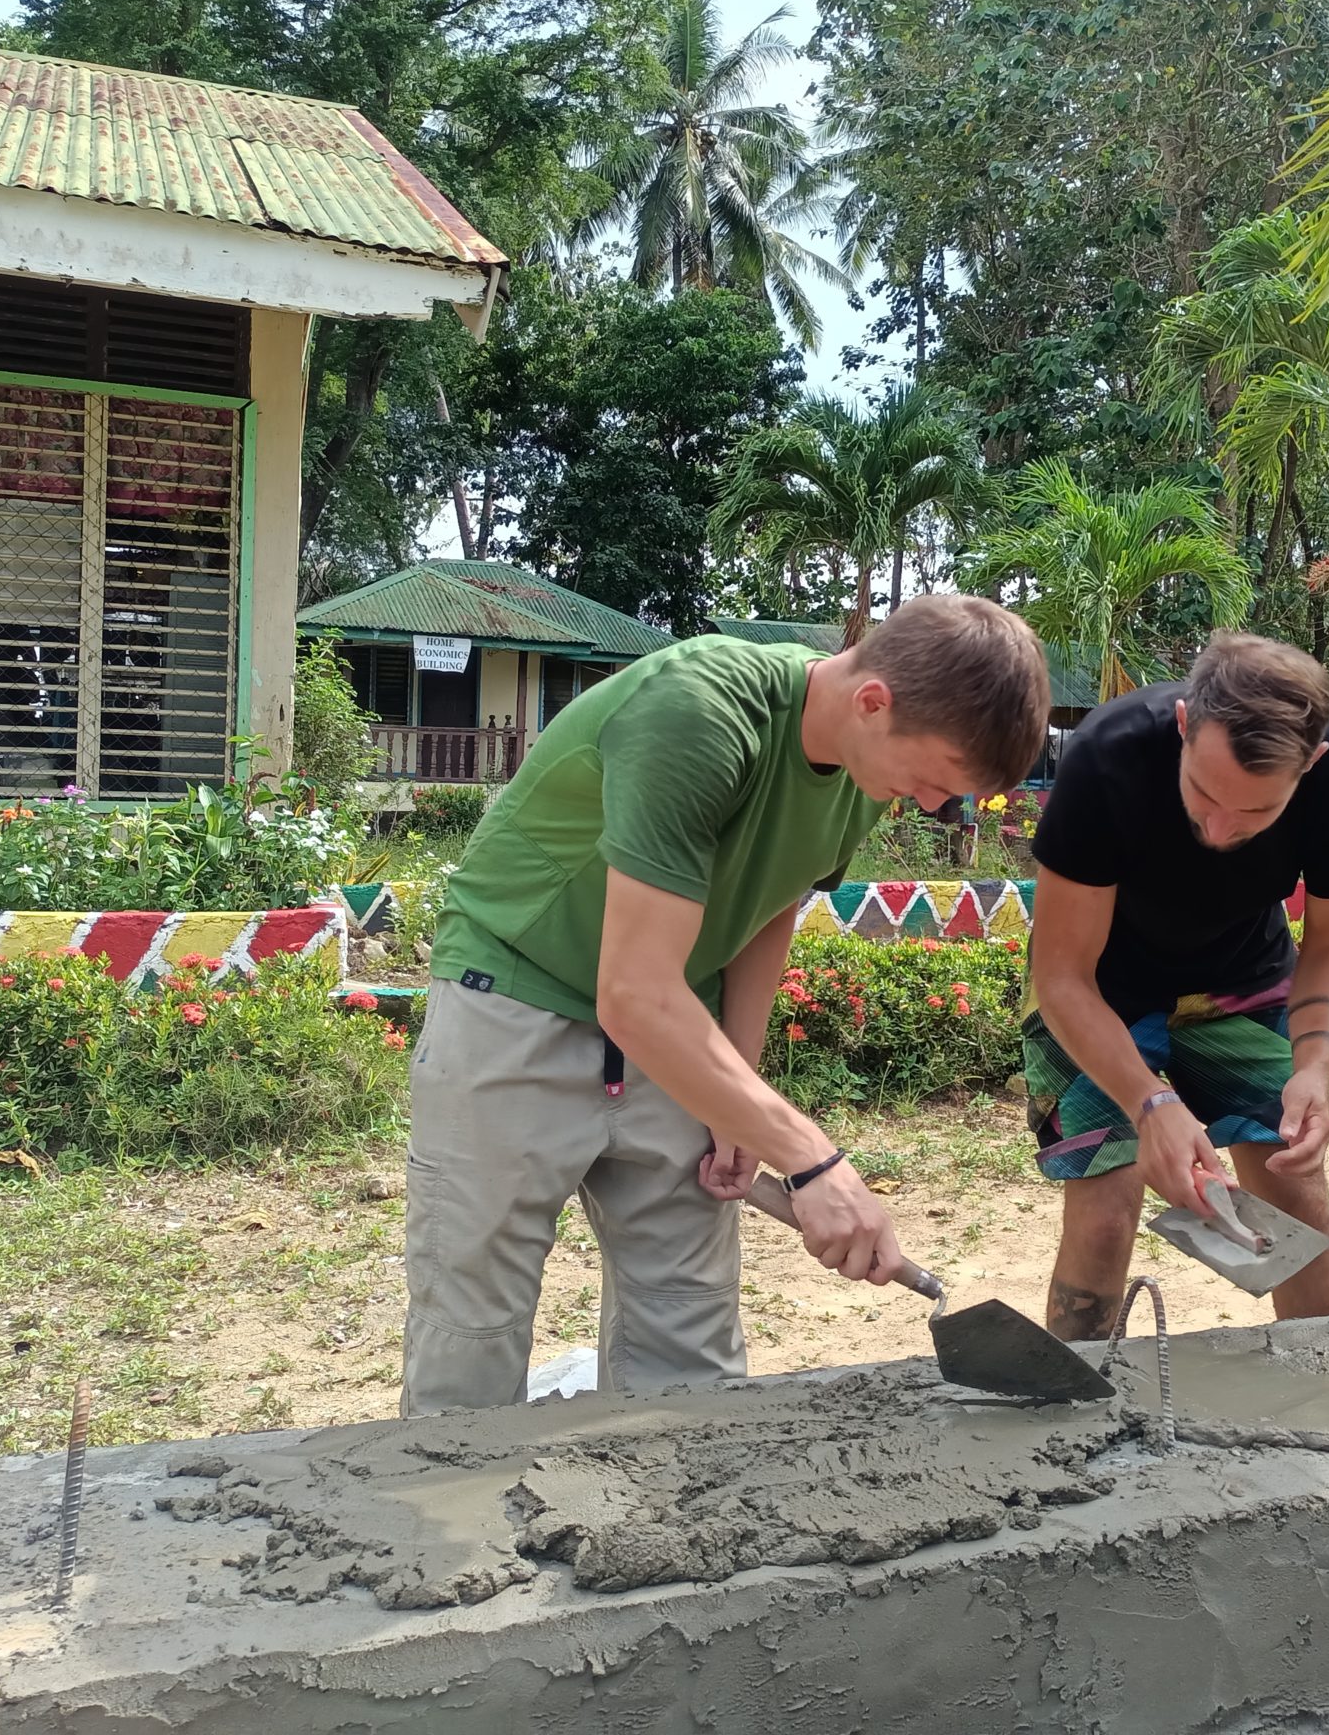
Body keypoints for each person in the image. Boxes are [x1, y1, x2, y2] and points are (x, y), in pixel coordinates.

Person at [400, 595, 1051, 1415]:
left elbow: (771, 901)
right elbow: (635, 994)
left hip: (676, 1024)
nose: (925, 805)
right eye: (930, 780)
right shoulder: (697, 714)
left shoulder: (864, 766)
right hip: (515, 997)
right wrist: (812, 1160)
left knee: (689, 1342)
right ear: (873, 701)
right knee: (471, 1334)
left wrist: (735, 1101)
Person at [1024, 631, 1329, 1341]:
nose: (1218, 830)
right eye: (1204, 794)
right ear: (1185, 725)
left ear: (1311, 762)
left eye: (1256, 813)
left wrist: (1315, 1067)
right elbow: (1062, 975)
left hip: (1241, 977)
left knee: (1294, 1198)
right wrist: (1150, 1103)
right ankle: (1069, 1400)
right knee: (1105, 1214)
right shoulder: (1109, 754)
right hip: (1100, 987)